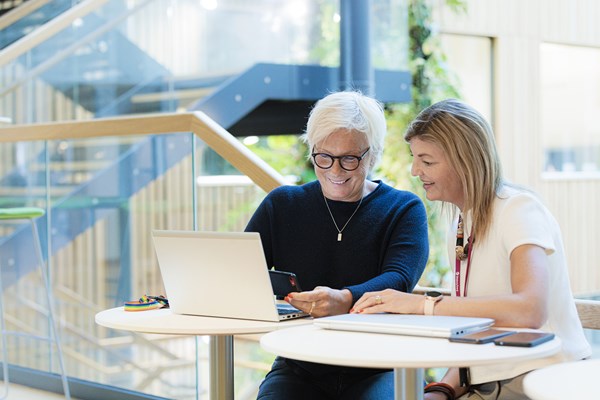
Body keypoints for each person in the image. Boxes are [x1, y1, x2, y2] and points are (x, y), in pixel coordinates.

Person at [351, 99, 592, 400]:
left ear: (466, 160)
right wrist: (441, 390)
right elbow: (478, 335)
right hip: (490, 385)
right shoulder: (462, 224)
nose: (415, 171)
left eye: (427, 161)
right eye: (415, 159)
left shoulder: (518, 209)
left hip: (542, 381)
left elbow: (529, 310)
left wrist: (424, 305)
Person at [246, 90, 430, 400]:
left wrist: (345, 299)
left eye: (349, 159)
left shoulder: (403, 209)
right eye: (324, 157)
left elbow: (398, 278)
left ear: (372, 154)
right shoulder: (282, 204)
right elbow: (241, 271)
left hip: (381, 364)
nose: (334, 171)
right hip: (301, 364)